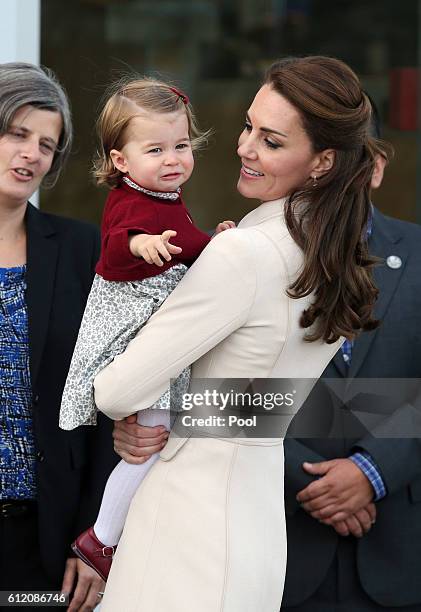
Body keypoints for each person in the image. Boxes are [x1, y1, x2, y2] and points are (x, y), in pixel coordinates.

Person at [92, 56, 386, 612]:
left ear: (322, 161)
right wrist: (189, 412)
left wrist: (163, 415)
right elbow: (274, 403)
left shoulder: (246, 253)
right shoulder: (330, 255)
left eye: (271, 141)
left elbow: (114, 391)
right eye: (249, 126)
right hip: (251, 520)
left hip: (189, 522)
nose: (246, 147)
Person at [59, 76, 234, 580]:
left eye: (180, 145)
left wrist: (215, 241)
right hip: (131, 334)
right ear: (121, 161)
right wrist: (140, 246)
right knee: (153, 439)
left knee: (162, 441)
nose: (173, 159)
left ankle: (118, 535)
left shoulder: (167, 197)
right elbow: (116, 242)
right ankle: (102, 538)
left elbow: (187, 243)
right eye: (155, 149)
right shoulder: (131, 202)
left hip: (156, 334)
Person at [280, 101, 421, 611]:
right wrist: (311, 479)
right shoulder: (251, 257)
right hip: (282, 551)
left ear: (377, 166)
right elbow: (219, 396)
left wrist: (372, 470)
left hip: (401, 550)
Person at [0, 62, 118, 612]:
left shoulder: (80, 252)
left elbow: (106, 404)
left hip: (46, 539)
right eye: (17, 133)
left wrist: (96, 536)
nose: (31, 155)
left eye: (46, 145)